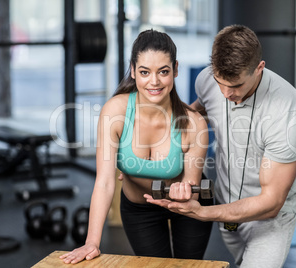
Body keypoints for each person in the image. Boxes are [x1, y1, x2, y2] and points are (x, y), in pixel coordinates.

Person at [144, 25, 296, 268]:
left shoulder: (288, 109)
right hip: (226, 207)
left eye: (236, 85)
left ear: (259, 68)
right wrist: (144, 155)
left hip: (269, 219)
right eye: (221, 82)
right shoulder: (207, 80)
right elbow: (195, 114)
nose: (226, 93)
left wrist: (201, 213)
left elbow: (271, 202)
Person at [60, 29, 212, 264]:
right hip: (140, 209)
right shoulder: (115, 112)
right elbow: (105, 181)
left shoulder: (193, 123)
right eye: (144, 72)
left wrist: (186, 189)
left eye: (163, 71)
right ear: (132, 70)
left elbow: (190, 183)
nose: (154, 81)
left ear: (176, 70)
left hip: (186, 209)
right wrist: (92, 242)